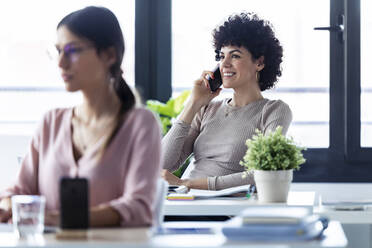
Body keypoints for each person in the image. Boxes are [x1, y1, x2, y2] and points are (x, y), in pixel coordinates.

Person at [0, 6, 162, 227]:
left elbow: (138, 209)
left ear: (109, 55)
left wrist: (54, 219)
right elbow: (18, 192)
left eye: (72, 50)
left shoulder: (140, 125)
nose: (61, 63)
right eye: (58, 51)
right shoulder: (51, 123)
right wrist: (9, 205)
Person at [162, 12, 292, 191]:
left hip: (223, 208)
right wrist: (193, 104)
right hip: (185, 201)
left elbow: (265, 173)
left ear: (260, 62)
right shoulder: (207, 108)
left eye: (235, 56)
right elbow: (163, 163)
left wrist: (188, 183)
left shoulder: (273, 110)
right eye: (221, 56)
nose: (224, 64)